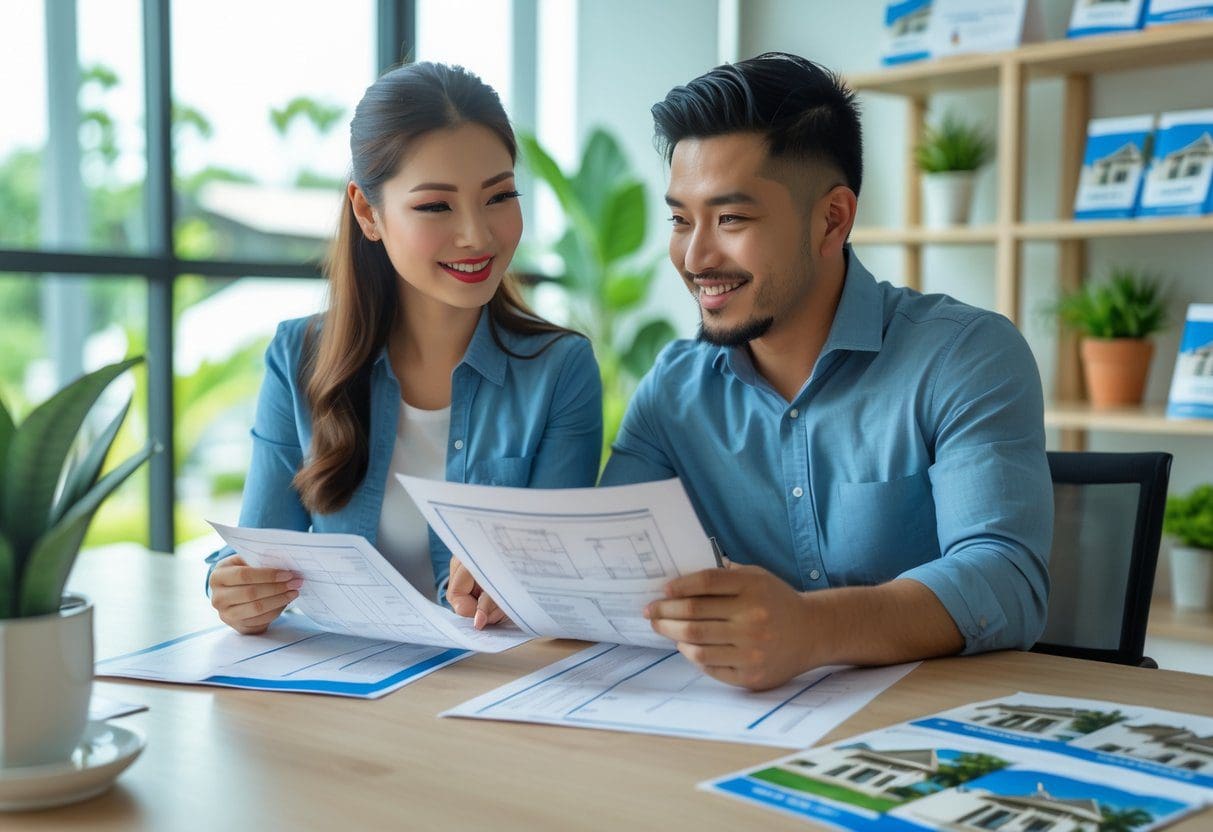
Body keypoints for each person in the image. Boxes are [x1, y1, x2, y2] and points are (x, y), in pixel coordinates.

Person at [452, 52, 1053, 691]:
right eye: (681, 220)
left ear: (832, 219)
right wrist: (517, 572)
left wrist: (812, 628)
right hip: (734, 734)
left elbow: (1005, 577)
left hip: (928, 731)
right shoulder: (675, 390)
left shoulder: (966, 356)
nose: (695, 255)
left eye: (731, 218)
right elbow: (615, 557)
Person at [207, 62, 603, 635]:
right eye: (436, 206)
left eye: (499, 196)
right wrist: (235, 589)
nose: (478, 234)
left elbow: (558, 597)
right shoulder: (298, 356)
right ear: (368, 213)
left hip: (485, 694)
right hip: (343, 692)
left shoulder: (560, 371)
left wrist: (523, 588)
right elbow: (260, 554)